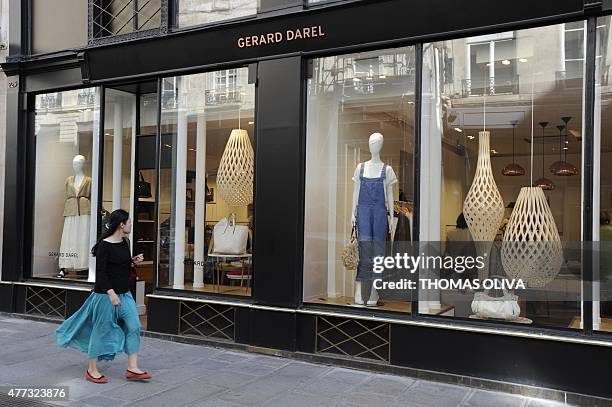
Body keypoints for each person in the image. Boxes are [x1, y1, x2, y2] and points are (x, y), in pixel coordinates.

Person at [55, 209, 151, 384]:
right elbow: (101, 274)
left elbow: (119, 265)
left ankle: (132, 367)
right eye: (129, 222)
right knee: (101, 330)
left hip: (125, 294)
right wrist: (111, 294)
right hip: (105, 296)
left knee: (134, 326)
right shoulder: (104, 246)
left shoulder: (125, 242)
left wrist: (132, 261)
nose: (131, 225)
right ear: (121, 225)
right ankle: (92, 370)